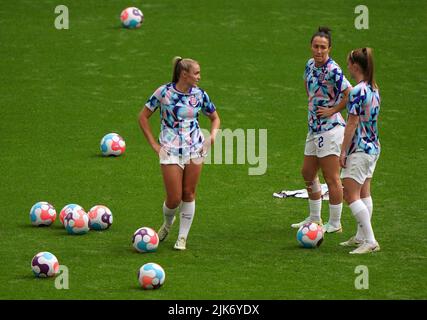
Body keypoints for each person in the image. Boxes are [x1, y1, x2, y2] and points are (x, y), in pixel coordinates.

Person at [138, 57, 220, 250]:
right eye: (196, 73)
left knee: (189, 193)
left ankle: (182, 237)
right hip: (170, 150)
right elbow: (142, 116)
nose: (199, 77)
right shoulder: (163, 92)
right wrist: (154, 144)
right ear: (184, 74)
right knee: (174, 198)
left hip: (195, 149)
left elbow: (215, 118)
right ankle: (167, 224)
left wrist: (212, 137)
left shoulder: (200, 95)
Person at [291, 27, 351, 233]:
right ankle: (314, 217)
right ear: (311, 47)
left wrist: (333, 109)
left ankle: (335, 223)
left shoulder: (334, 70)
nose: (319, 51)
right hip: (314, 128)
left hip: (331, 130)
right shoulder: (309, 65)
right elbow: (309, 89)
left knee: (331, 177)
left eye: (323, 47)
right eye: (316, 46)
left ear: (329, 49)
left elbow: (349, 93)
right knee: (307, 172)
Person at [339, 48, 381, 254]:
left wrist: (343, 151)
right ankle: (360, 236)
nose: (347, 67)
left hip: (359, 149)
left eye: (348, 63)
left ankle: (370, 240)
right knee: (364, 192)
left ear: (356, 66)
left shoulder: (357, 92)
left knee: (350, 194)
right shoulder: (374, 89)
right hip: (373, 148)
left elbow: (352, 123)